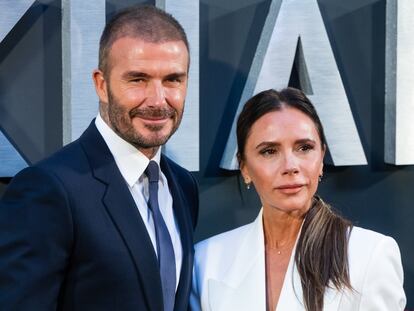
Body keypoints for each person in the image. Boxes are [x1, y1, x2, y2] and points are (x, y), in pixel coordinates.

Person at [0, 5, 198, 311]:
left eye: (173, 79)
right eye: (138, 80)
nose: (158, 100)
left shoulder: (183, 186)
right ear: (101, 85)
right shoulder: (49, 190)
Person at [190, 88, 406, 311]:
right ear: (244, 167)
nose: (290, 166)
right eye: (269, 151)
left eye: (304, 148)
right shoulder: (207, 261)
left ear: (321, 158)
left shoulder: (370, 255)